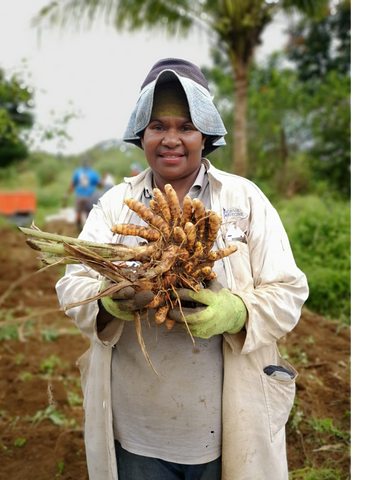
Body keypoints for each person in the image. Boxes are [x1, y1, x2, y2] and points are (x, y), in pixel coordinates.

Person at [56, 58, 309, 480]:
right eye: (157, 126)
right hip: (136, 432)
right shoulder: (115, 204)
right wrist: (108, 300)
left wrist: (238, 312)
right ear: (141, 134)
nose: (170, 139)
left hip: (225, 432)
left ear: (205, 135)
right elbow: (74, 284)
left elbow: (289, 291)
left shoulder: (245, 200)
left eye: (185, 127)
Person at [62, 156, 102, 231]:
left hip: (79, 195)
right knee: (89, 212)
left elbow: (73, 184)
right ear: (89, 164)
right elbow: (99, 184)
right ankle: (89, 229)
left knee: (78, 213)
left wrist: (67, 193)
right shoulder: (93, 173)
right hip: (90, 196)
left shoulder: (77, 172)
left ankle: (79, 229)